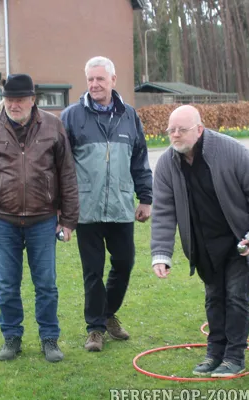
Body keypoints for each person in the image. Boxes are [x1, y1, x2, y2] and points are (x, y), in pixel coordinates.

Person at [151, 105, 249, 377]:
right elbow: (162, 210)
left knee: (236, 297)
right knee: (214, 298)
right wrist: (161, 253)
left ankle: (234, 357)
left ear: (199, 129)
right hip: (202, 244)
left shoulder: (231, 151)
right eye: (171, 130)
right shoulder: (166, 165)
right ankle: (214, 353)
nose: (175, 135)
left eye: (181, 130)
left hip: (239, 240)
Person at [0, 74, 79, 364]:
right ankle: (11, 337)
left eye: (20, 99)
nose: (14, 104)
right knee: (6, 284)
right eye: (8, 99)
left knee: (46, 284)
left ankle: (49, 338)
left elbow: (67, 174)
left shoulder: (53, 126)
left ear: (33, 99)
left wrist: (68, 221)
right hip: (3, 220)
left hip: (43, 220)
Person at [61, 56, 153, 352]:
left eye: (100, 79)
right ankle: (95, 329)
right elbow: (60, 165)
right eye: (90, 79)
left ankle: (108, 313)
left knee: (124, 264)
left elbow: (140, 159)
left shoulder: (129, 116)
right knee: (93, 271)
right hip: (85, 208)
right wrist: (63, 208)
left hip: (121, 206)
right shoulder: (72, 116)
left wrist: (146, 198)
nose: (95, 84)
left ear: (113, 80)